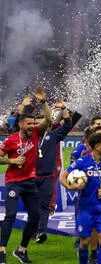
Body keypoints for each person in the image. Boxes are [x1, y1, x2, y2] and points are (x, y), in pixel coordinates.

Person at [0, 87, 50, 263]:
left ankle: (21, 250)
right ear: (21, 124)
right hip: (13, 182)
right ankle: (2, 251)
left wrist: (43, 102)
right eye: (29, 124)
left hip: (30, 181)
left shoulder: (36, 133)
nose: (32, 126)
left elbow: (49, 120)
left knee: (35, 217)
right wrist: (12, 161)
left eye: (34, 124)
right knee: (11, 215)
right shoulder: (10, 139)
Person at [60, 133, 101, 264]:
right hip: (85, 208)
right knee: (85, 242)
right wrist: (70, 187)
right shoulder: (82, 161)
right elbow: (62, 177)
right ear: (97, 146)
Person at [34, 100, 73, 244]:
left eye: (41, 123)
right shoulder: (29, 137)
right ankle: (33, 230)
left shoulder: (52, 135)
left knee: (44, 205)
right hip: (30, 176)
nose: (38, 125)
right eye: (35, 124)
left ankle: (41, 231)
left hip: (47, 175)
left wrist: (64, 109)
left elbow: (68, 125)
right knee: (33, 206)